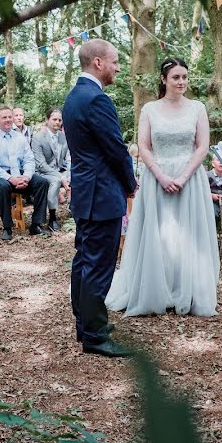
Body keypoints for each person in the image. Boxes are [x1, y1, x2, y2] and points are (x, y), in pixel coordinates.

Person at [105, 56, 219, 318]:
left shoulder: (197, 108)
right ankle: (157, 289)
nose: (181, 82)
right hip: (157, 178)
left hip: (190, 179)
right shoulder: (150, 109)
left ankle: (186, 289)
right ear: (164, 80)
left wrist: (183, 176)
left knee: (187, 234)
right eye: (176, 77)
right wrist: (160, 176)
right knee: (159, 233)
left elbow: (202, 146)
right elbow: (143, 146)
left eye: (184, 77)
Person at [63, 39, 138, 358]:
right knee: (98, 264)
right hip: (102, 193)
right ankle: (94, 335)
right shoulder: (97, 100)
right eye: (115, 61)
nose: (117, 67)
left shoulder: (73, 97)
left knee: (84, 260)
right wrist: (131, 184)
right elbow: (116, 150)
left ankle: (86, 324)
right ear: (97, 62)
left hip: (85, 191)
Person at [0, 105, 50, 240]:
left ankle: (36, 225)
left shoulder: (20, 137)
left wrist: (27, 177)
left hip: (20, 174)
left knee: (42, 182)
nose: (8, 120)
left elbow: (29, 159)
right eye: (4, 117)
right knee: (3, 186)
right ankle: (7, 227)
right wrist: (11, 178)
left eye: (9, 117)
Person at [32, 107, 71, 232]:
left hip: (60, 171)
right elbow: (41, 164)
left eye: (60, 120)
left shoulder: (63, 137)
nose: (57, 122)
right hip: (42, 172)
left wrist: (68, 173)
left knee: (79, 175)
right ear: (47, 120)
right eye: (54, 119)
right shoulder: (38, 138)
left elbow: (69, 158)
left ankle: (76, 213)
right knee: (55, 181)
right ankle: (52, 218)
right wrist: (61, 177)